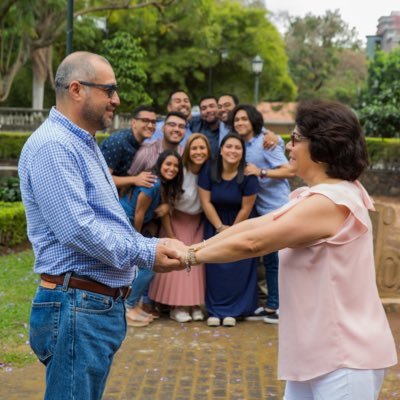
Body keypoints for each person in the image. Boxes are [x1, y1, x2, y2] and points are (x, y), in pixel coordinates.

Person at [180, 100, 397, 399]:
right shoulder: (313, 196)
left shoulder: (331, 201)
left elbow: (254, 243)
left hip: (344, 356)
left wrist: (187, 258)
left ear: (320, 147)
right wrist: (191, 249)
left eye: (295, 138)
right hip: (315, 354)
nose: (287, 146)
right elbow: (253, 228)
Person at [18, 51, 183, 400]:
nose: (117, 100)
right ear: (77, 89)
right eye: (109, 90)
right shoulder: (54, 146)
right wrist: (146, 251)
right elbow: (77, 229)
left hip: (89, 305)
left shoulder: (83, 142)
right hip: (77, 304)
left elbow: (104, 220)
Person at [231, 104, 295, 324]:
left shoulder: (267, 142)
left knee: (279, 260)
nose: (239, 123)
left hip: (277, 207)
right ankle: (272, 305)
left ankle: (281, 308)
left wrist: (262, 172)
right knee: (269, 259)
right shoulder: (243, 144)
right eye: (236, 120)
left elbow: (290, 170)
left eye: (244, 119)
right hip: (260, 210)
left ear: (253, 121)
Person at [198, 133, 260, 327]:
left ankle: (235, 311)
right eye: (229, 146)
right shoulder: (209, 169)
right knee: (215, 268)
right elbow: (205, 201)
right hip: (214, 222)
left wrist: (231, 231)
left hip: (241, 225)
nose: (233, 151)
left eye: (238, 148)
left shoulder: (248, 175)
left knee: (238, 268)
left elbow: (246, 208)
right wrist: (219, 228)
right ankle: (215, 311)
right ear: (222, 150)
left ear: (242, 153)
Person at [149, 134, 211, 323]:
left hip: (198, 221)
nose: (198, 152)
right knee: (180, 260)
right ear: (187, 151)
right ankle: (177, 306)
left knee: (198, 261)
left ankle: (194, 304)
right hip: (176, 220)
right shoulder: (180, 171)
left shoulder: (209, 172)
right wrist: (170, 234)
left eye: (202, 148)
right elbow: (167, 202)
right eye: (194, 148)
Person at [120, 150, 184, 326]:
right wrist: (137, 242)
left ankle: (132, 305)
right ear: (160, 165)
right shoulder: (154, 184)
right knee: (148, 267)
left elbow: (161, 216)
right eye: (168, 164)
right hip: (126, 225)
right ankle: (127, 306)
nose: (172, 168)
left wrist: (176, 242)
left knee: (146, 267)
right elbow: (139, 213)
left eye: (176, 166)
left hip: (134, 227)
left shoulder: (163, 186)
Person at [99, 105, 158, 190]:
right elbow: (102, 179)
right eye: (145, 121)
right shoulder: (117, 142)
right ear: (133, 123)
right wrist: (135, 179)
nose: (150, 126)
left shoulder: (142, 143)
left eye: (153, 122)